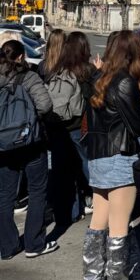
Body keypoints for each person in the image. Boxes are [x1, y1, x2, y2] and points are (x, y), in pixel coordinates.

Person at [83, 31, 140, 280]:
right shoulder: (125, 82)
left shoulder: (99, 78)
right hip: (120, 158)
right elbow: (137, 127)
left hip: (97, 157)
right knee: (119, 225)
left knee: (98, 222)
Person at [0, 40, 56, 259]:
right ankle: (34, 243)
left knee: (4, 195)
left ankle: (7, 246)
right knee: (37, 191)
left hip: (3, 146)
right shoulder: (30, 77)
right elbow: (45, 105)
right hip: (31, 141)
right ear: (21, 57)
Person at [45, 31, 95, 224]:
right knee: (85, 164)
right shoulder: (87, 70)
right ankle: (97, 198)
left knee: (64, 170)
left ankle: (70, 211)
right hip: (80, 127)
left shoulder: (59, 69)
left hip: (59, 125)